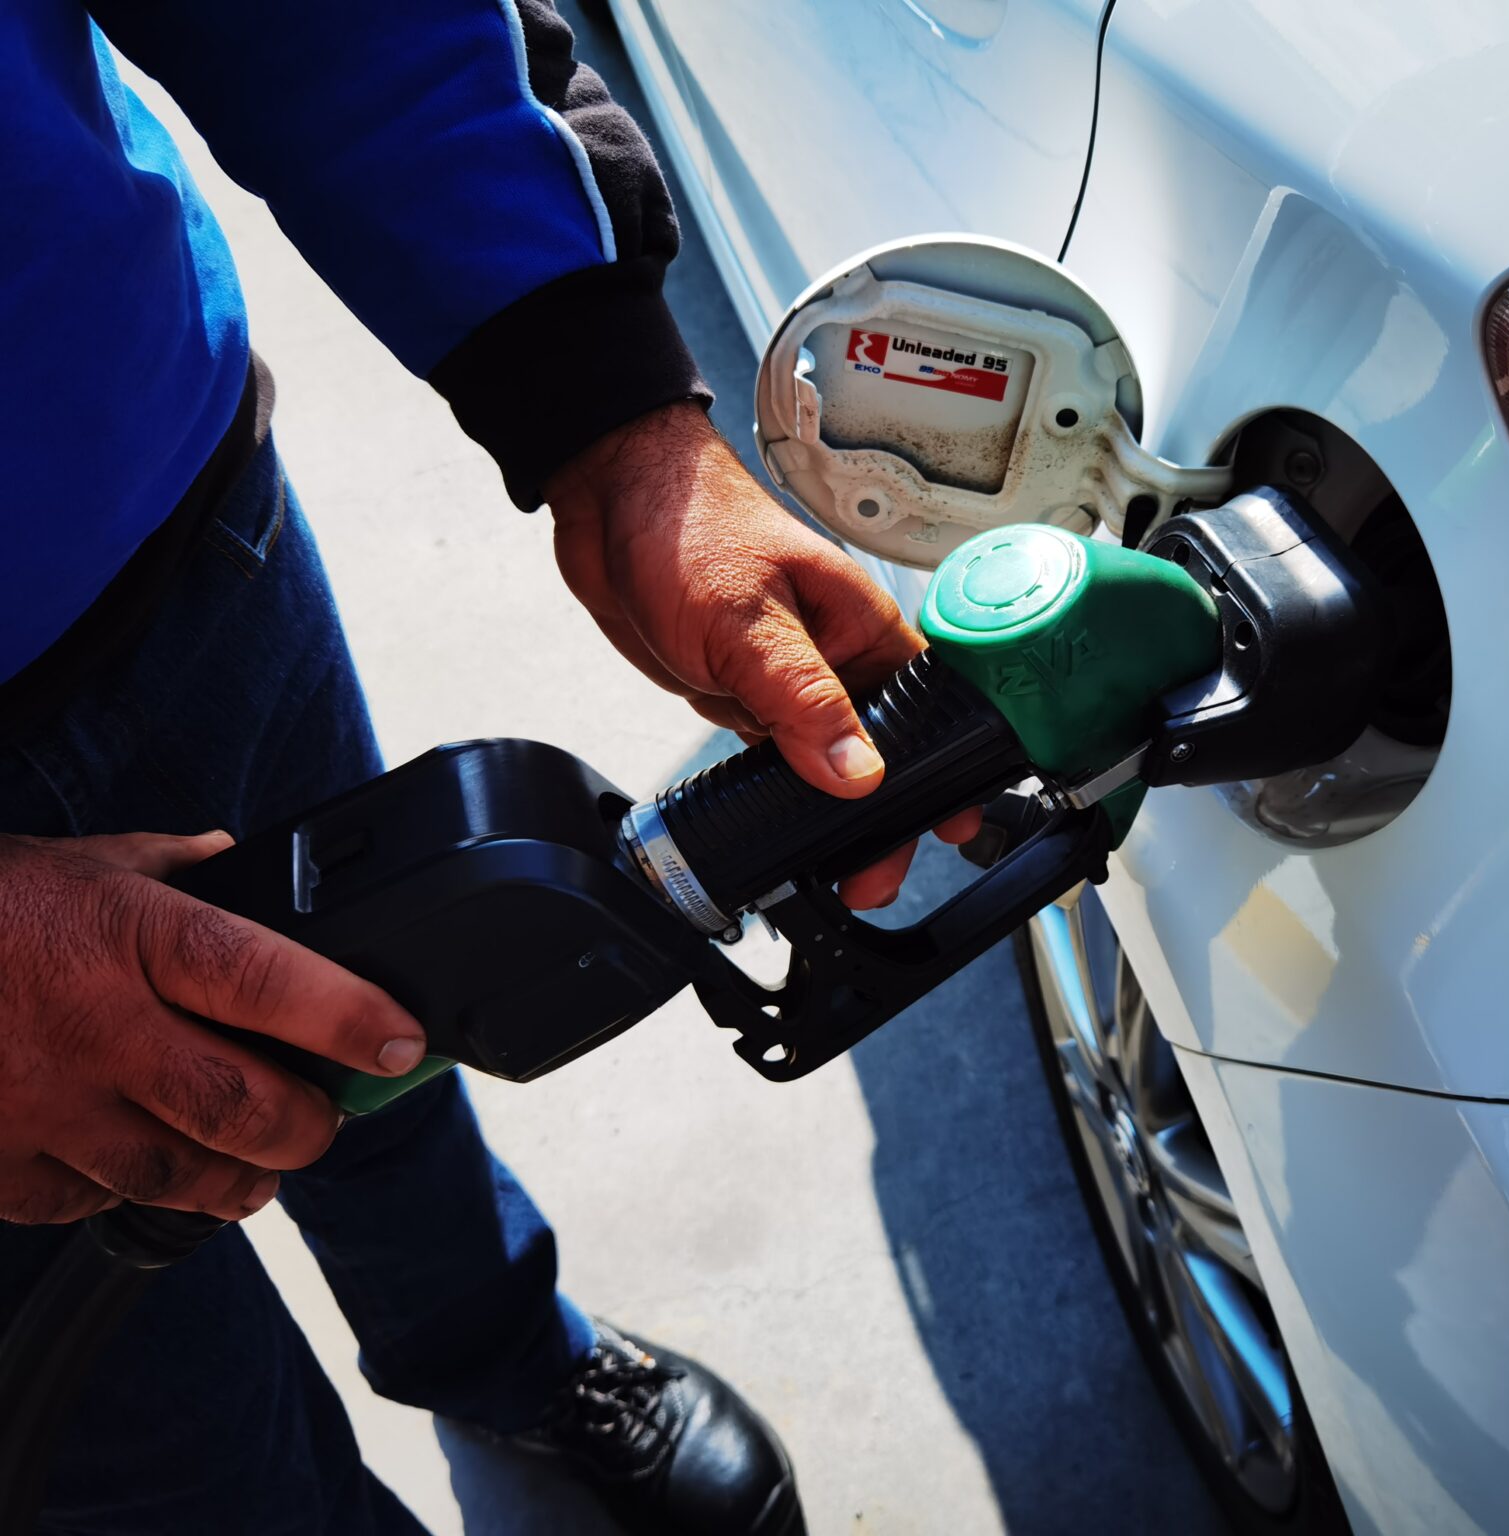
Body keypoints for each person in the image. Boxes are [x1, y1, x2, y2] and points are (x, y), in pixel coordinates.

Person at [1, 3, 970, 1532]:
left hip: (171, 525)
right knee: (170, 1462)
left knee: (393, 1039)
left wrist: (613, 412)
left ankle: (507, 1351)